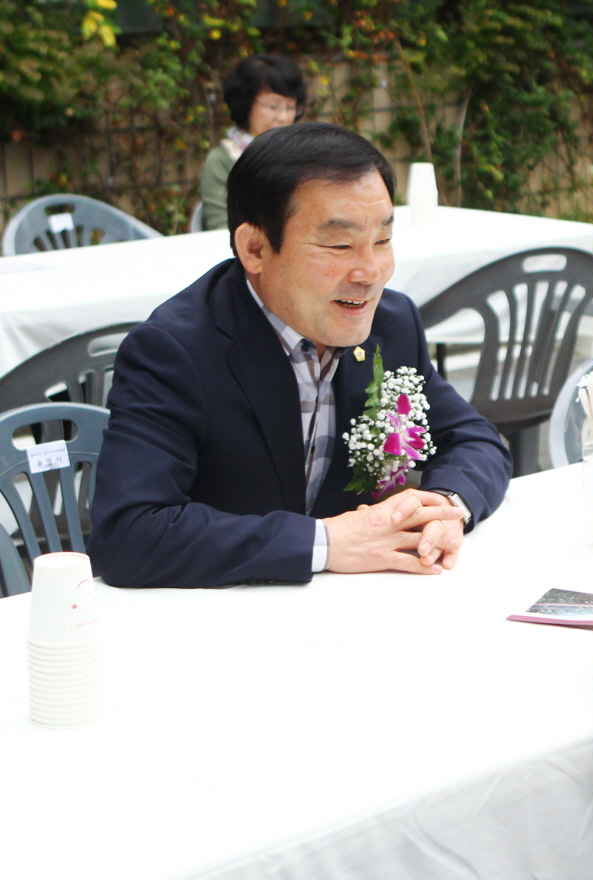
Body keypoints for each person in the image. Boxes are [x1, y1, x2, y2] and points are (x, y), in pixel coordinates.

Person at [88, 123, 513, 589]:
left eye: (383, 241)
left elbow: (476, 440)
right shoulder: (175, 350)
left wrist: (444, 506)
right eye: (338, 245)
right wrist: (326, 542)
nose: (370, 272)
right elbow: (127, 533)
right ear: (254, 248)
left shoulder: (392, 323)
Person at [199, 54, 307, 231]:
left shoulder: (305, 154)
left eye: (290, 107)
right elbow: (221, 229)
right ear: (245, 103)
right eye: (273, 106)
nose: (284, 117)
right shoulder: (222, 161)